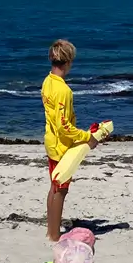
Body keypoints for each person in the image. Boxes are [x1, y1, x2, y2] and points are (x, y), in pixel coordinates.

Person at [41, 39, 97, 242]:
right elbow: (64, 126)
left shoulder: (47, 81)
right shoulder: (63, 90)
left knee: (54, 186)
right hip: (60, 146)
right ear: (68, 62)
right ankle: (55, 235)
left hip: (51, 141)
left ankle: (51, 230)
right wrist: (86, 137)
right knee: (61, 190)